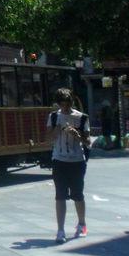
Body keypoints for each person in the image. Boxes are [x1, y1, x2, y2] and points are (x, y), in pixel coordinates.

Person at [47, 88, 90, 244]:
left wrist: (77, 135)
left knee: (77, 194)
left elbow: (88, 142)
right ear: (58, 103)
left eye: (68, 104)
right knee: (60, 195)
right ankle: (60, 230)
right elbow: (48, 139)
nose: (65, 108)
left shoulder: (82, 117)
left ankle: (82, 224)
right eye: (62, 104)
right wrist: (56, 130)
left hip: (77, 161)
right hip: (59, 160)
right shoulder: (53, 117)